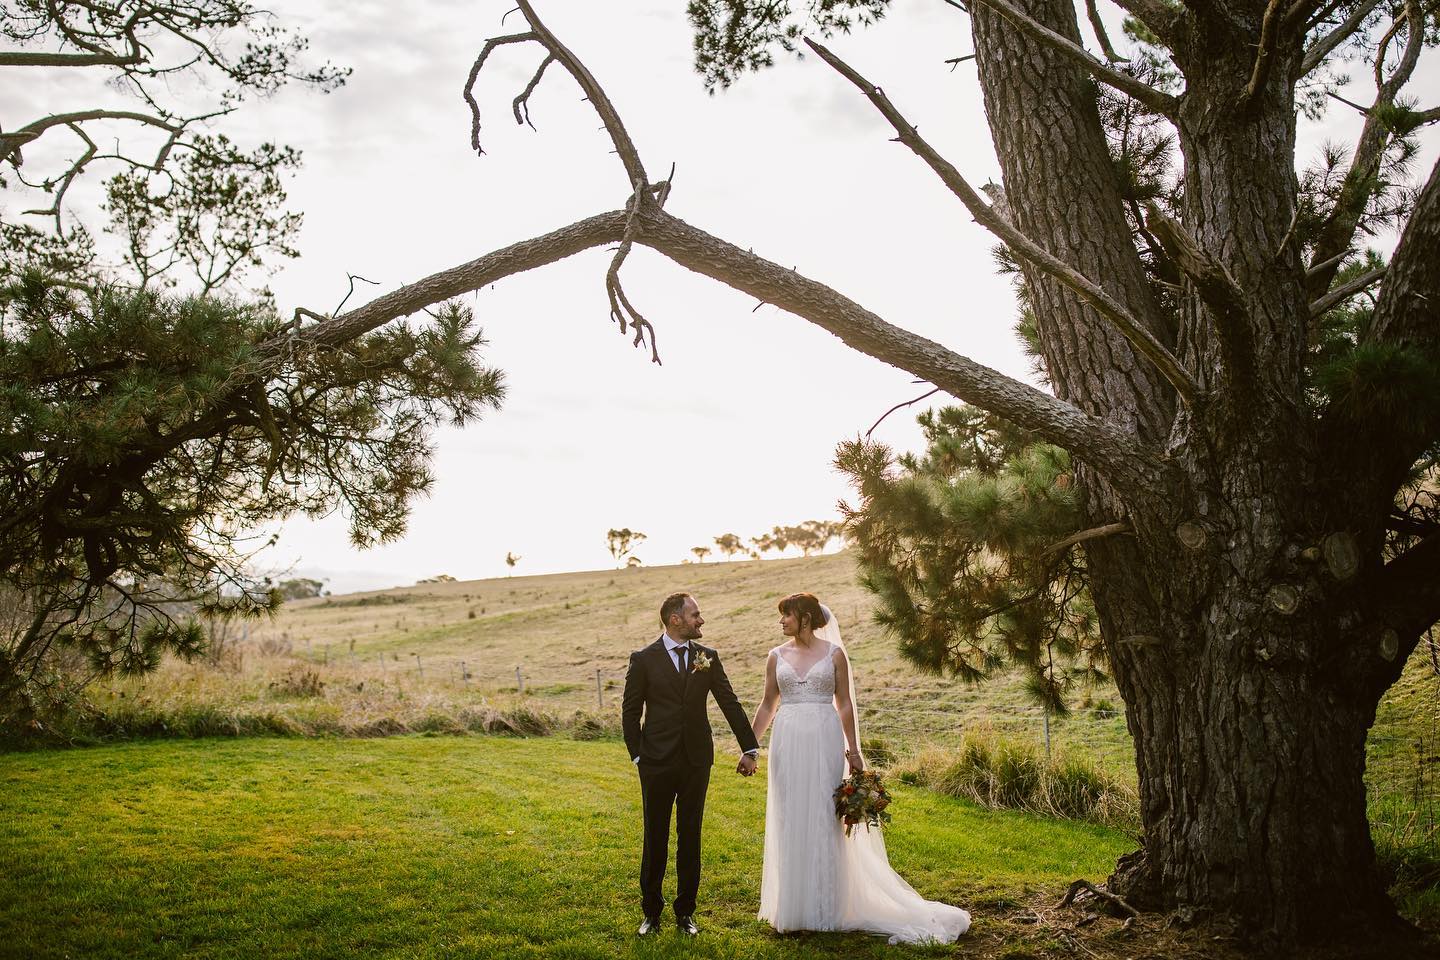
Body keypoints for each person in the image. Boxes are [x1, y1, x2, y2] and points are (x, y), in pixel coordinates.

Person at [750, 592, 971, 943]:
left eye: (786, 616)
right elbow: (766, 705)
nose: (781, 622)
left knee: (825, 817)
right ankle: (792, 908)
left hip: (824, 738)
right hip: (787, 740)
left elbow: (845, 704)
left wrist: (853, 751)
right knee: (790, 816)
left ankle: (825, 907)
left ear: (805, 618)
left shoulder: (834, 654)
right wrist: (750, 748)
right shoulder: (775, 656)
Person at [621, 592, 760, 936]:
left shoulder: (707, 657)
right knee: (655, 836)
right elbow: (630, 712)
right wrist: (638, 755)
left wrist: (750, 747)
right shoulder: (644, 659)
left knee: (690, 835)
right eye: (695, 614)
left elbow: (729, 702)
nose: (701, 620)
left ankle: (686, 914)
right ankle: (651, 913)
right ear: (675, 620)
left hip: (696, 761)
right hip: (655, 761)